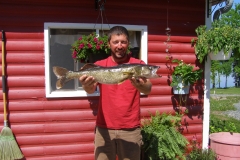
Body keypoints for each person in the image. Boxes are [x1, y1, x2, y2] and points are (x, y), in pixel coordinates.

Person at [79, 26, 152, 160]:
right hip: (104, 128)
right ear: (109, 44)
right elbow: (90, 90)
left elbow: (148, 88)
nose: (120, 46)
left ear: (128, 43)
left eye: (123, 42)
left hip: (130, 129)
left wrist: (141, 85)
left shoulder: (137, 65)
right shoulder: (100, 65)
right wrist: (86, 85)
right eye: (116, 42)